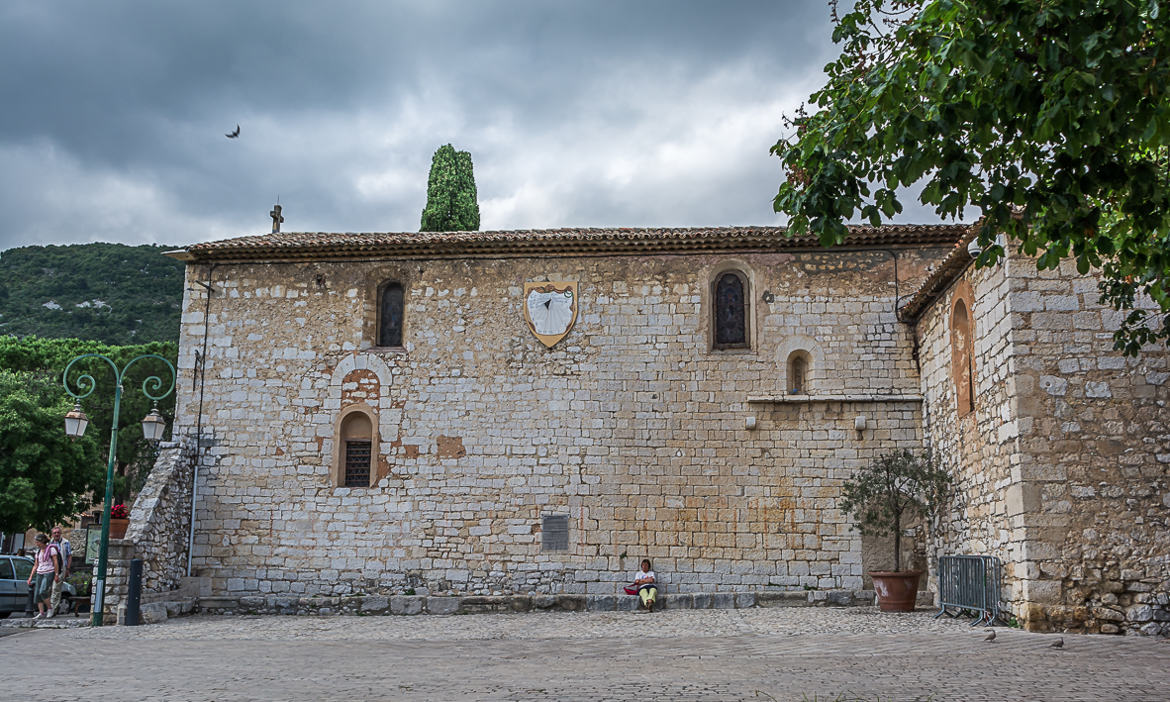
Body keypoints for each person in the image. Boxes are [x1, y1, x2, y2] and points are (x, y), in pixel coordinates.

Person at [26, 534, 60, 620]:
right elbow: (36, 565)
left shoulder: (51, 549)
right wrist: (30, 577)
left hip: (49, 572)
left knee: (43, 591)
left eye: (38, 542)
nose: (36, 543)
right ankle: (41, 612)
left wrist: (56, 574)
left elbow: (55, 562)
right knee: (37, 593)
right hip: (40, 572)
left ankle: (50, 608)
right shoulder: (38, 551)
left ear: (42, 542)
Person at [49, 526, 72, 614]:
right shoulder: (49, 543)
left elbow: (69, 556)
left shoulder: (66, 543)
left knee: (56, 589)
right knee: (49, 589)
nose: (56, 534)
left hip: (61, 568)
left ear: (60, 533)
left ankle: (53, 610)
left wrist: (68, 569)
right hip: (50, 569)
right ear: (52, 534)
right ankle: (49, 608)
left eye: (58, 532)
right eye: (55, 533)